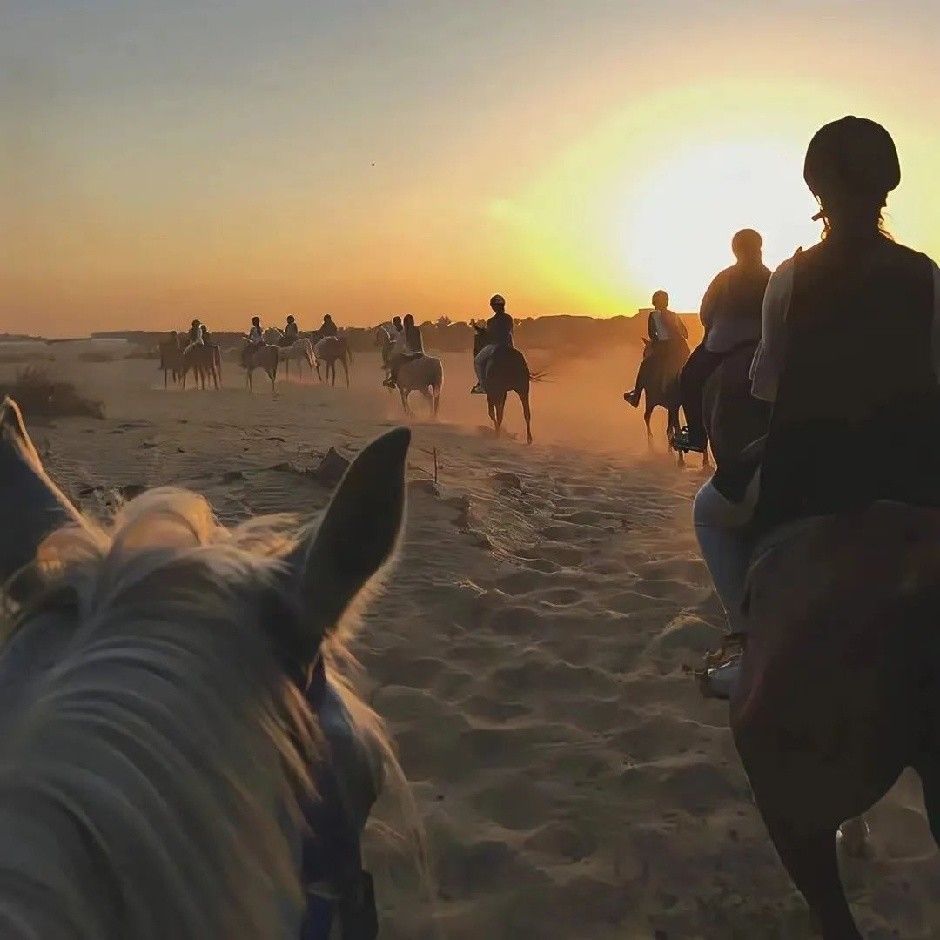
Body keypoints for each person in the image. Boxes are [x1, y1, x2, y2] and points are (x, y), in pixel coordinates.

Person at [697, 116, 940, 698]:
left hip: (815, 470)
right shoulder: (926, 274)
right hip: (911, 468)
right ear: (887, 187)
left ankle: (747, 642)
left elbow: (767, 388)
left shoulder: (789, 278)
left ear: (817, 192)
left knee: (708, 511)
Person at [674, 230, 771, 452]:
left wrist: (711, 327)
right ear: (759, 248)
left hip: (724, 342)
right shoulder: (772, 277)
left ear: (735, 250)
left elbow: (706, 312)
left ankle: (697, 436)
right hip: (764, 343)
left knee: (689, 376)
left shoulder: (724, 277)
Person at [623, 291, 689, 407]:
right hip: (681, 350)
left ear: (655, 302)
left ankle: (635, 397)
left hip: (664, 349)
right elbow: (686, 333)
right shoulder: (674, 315)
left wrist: (657, 342)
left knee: (645, 365)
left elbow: (652, 334)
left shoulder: (653, 315)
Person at [471, 294, 514, 394]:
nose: (494, 308)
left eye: (494, 306)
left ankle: (482, 385)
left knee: (478, 361)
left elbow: (490, 335)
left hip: (496, 346)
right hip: (508, 345)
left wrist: (479, 329)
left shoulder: (491, 321)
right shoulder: (508, 318)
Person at [383, 315, 423, 388]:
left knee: (397, 358)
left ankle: (394, 380)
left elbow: (401, 344)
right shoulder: (416, 329)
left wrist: (394, 352)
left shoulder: (405, 332)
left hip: (413, 354)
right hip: (420, 353)